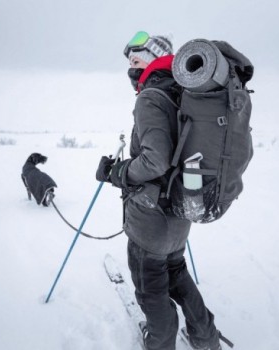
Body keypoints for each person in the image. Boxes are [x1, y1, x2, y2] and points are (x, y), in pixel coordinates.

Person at [96, 31, 222, 350]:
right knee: (176, 272)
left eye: (137, 58)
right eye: (128, 60)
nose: (130, 65)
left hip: (150, 221)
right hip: (181, 210)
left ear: (155, 58)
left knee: (151, 290)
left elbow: (155, 161)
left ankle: (161, 343)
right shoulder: (184, 95)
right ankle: (205, 337)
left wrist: (118, 172)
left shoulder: (151, 97)